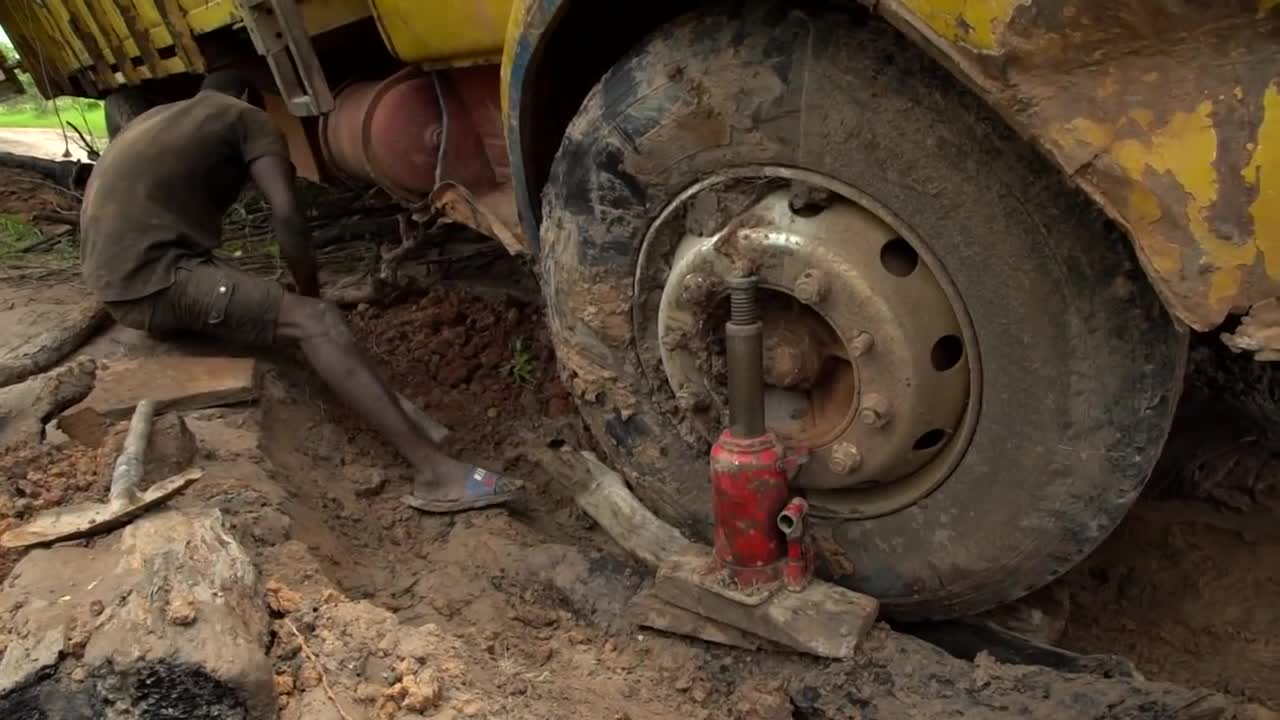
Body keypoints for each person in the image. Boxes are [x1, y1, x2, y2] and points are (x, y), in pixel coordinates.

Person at [79, 70, 522, 513]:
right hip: (153, 279)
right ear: (252, 94)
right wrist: (311, 297)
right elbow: (288, 216)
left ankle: (411, 424)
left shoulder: (161, 117)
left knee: (288, 321)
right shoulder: (246, 117)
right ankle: (437, 475)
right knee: (318, 324)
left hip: (118, 274)